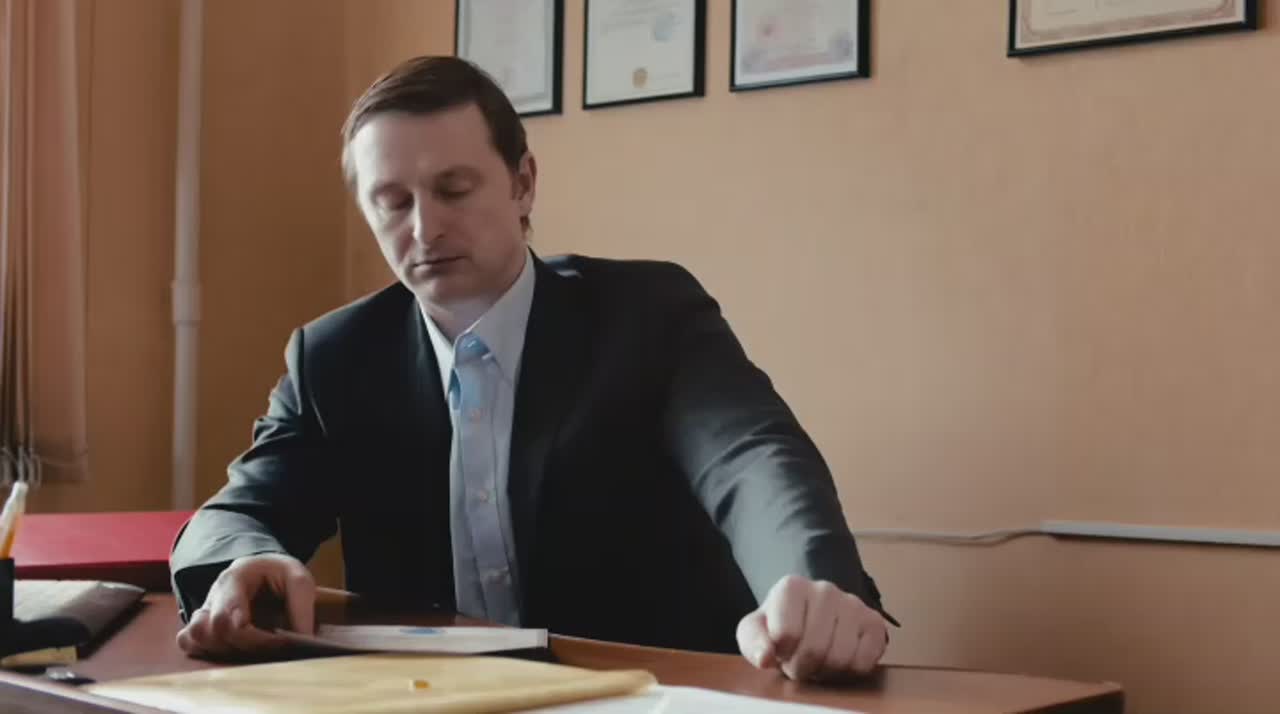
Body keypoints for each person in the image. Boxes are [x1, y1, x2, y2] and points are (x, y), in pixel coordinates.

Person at [170, 56, 895, 681]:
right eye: (392, 202)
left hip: (648, 693)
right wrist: (242, 566)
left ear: (523, 183)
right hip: (434, 696)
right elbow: (236, 515)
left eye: (454, 190)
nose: (424, 227)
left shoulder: (647, 315)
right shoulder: (335, 358)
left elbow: (751, 458)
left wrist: (811, 584)